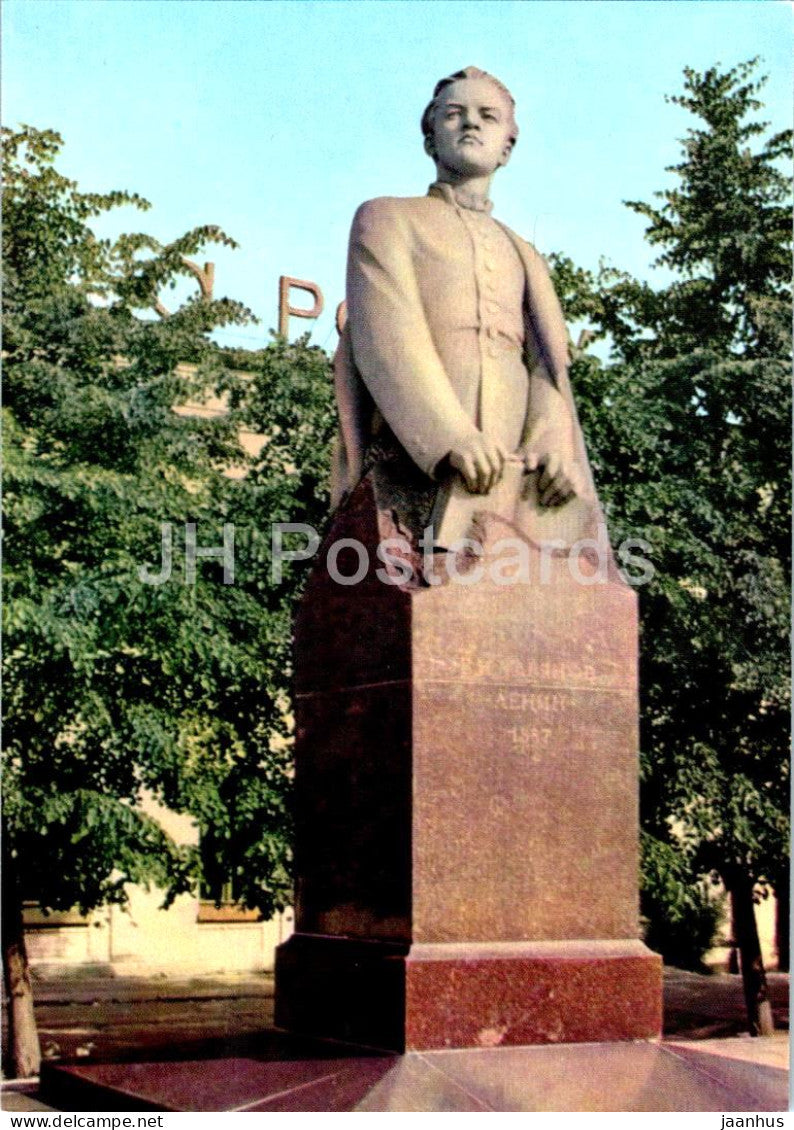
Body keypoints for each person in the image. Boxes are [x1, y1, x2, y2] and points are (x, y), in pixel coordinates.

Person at [332, 66, 596, 544]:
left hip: (516, 476)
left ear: (507, 147)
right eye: (454, 114)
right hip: (414, 458)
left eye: (487, 116)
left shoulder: (524, 253)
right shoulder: (388, 218)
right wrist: (449, 435)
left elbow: (546, 363)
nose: (471, 124)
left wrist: (550, 442)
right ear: (430, 139)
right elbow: (388, 333)